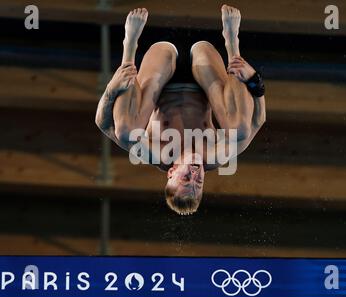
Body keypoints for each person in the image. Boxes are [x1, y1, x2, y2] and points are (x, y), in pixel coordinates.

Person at [95, 5, 266, 215]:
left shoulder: (155, 153)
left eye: (186, 179)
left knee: (126, 131)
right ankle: (233, 45)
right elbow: (258, 120)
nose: (195, 174)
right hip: (204, 69)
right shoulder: (217, 155)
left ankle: (128, 49)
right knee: (240, 129)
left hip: (162, 66)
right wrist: (255, 81)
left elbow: (103, 124)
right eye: (199, 182)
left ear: (172, 173)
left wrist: (112, 89)